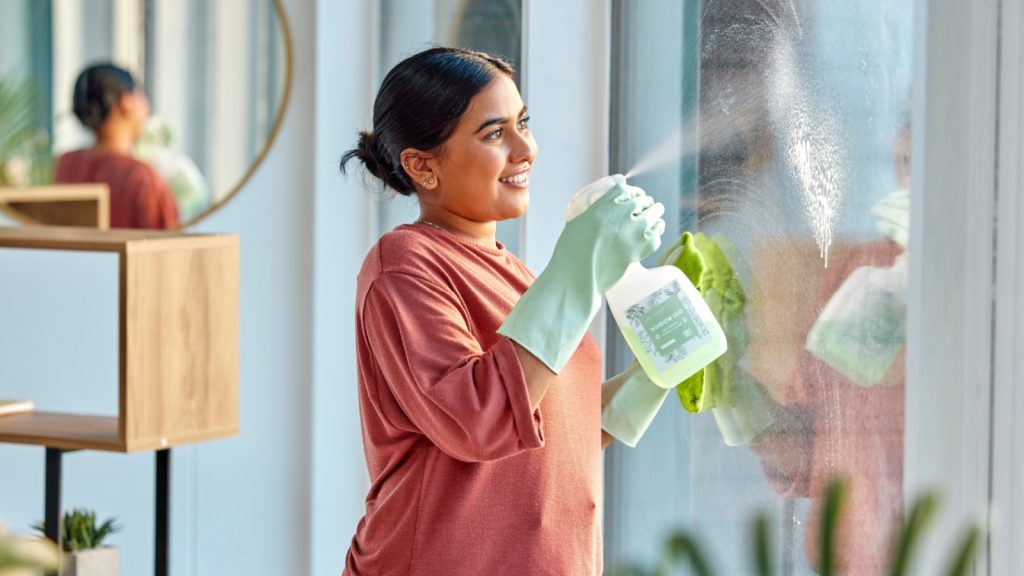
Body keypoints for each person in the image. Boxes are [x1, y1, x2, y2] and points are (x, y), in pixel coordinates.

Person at [339, 47, 670, 575]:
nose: (525, 149)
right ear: (422, 165)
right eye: (494, 133)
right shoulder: (403, 265)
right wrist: (578, 266)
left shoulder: (514, 274)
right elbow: (481, 419)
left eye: (523, 123)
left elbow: (547, 429)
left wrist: (650, 379)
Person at [54, 63, 179, 229]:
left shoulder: (67, 164)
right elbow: (171, 243)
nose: (147, 108)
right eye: (141, 96)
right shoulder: (141, 177)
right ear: (126, 102)